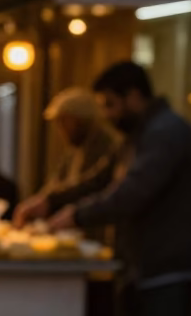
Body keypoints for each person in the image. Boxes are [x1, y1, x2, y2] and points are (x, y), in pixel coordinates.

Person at [47, 61, 191, 316]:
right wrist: (49, 202)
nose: (106, 114)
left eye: (110, 104)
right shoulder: (137, 136)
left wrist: (77, 215)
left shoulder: (166, 133)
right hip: (145, 266)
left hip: (169, 269)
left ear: (134, 96)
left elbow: (132, 192)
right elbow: (98, 180)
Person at [13, 88, 119, 229]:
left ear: (82, 119)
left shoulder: (106, 146)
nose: (61, 130)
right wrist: (41, 201)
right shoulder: (74, 150)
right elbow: (56, 182)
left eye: (64, 121)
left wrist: (51, 203)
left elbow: (91, 185)